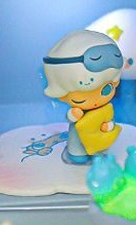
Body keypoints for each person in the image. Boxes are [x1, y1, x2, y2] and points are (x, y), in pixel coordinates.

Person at [43, 29, 123, 163]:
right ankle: (77, 154)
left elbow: (110, 121)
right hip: (78, 135)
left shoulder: (106, 110)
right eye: (83, 97)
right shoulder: (76, 109)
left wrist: (108, 126)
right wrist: (74, 115)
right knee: (77, 149)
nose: (96, 100)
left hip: (99, 139)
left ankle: (98, 156)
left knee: (100, 154)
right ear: (62, 94)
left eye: (106, 90)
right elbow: (70, 118)